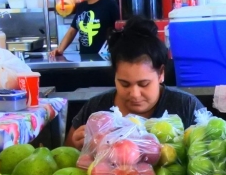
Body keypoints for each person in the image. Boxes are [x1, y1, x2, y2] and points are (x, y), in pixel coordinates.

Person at [66, 17, 205, 149]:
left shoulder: (186, 107)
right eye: (124, 84)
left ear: (161, 73)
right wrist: (78, 145)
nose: (135, 94)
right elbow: (66, 154)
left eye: (144, 84)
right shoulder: (96, 109)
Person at [51, 0, 119, 57]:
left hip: (105, 60)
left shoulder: (109, 4)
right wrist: (60, 49)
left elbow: (119, 31)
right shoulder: (81, 6)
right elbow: (72, 30)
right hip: (84, 59)